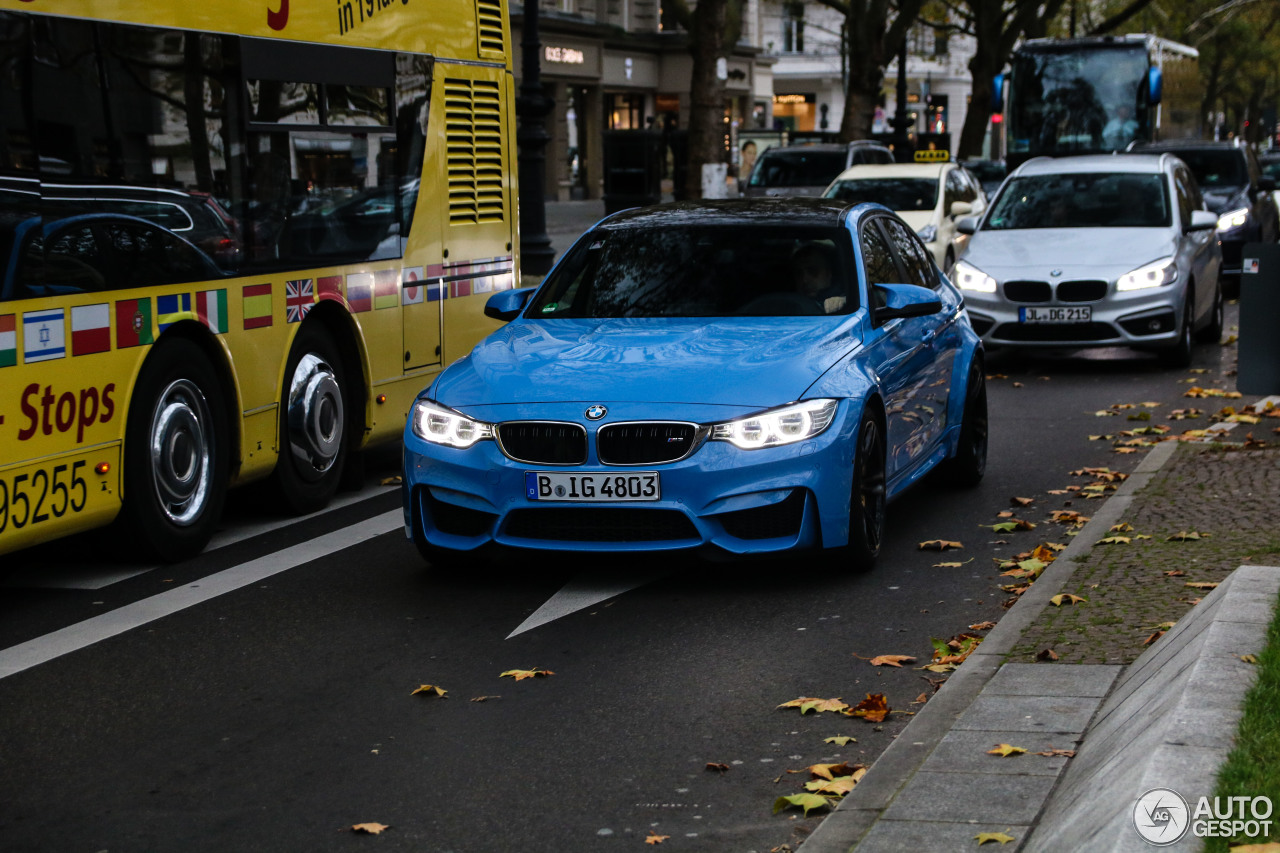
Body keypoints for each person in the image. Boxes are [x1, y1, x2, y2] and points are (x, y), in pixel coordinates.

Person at [792, 243, 846, 313]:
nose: (804, 280)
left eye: (813, 271)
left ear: (829, 274)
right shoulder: (786, 306)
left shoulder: (849, 300)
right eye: (799, 274)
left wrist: (843, 301)